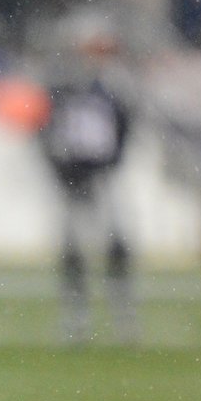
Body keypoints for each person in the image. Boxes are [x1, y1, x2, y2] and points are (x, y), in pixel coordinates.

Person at [40, 56, 136, 343]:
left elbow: (123, 128)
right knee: (76, 250)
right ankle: (79, 317)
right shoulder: (65, 96)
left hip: (100, 176)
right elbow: (48, 135)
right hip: (77, 179)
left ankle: (121, 316)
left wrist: (112, 161)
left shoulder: (105, 95)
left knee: (113, 248)